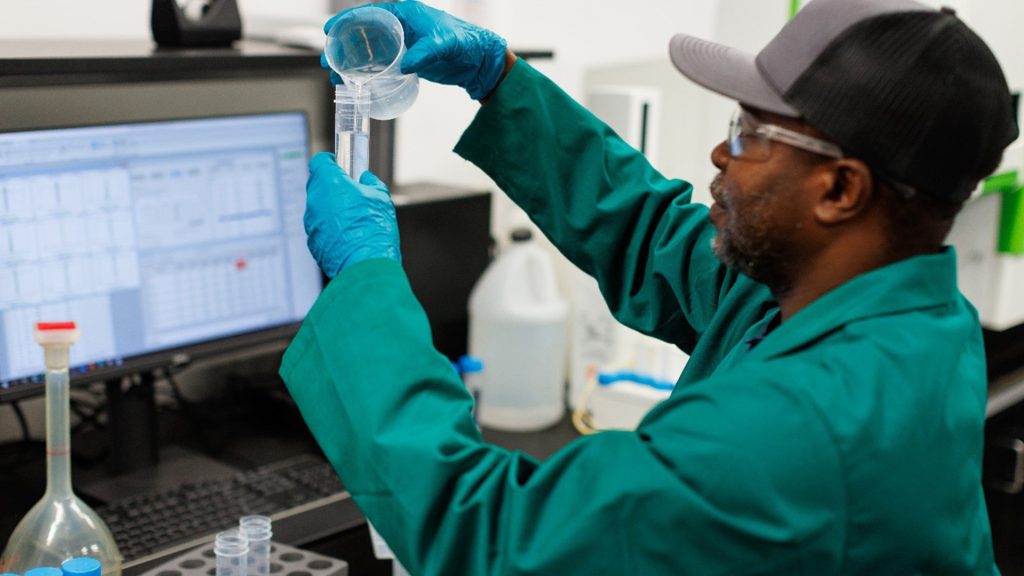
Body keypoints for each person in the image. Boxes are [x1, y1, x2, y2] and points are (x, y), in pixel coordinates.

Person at [280, 0, 1019, 573]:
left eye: (750, 133)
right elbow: (656, 237)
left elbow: (493, 538)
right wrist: (498, 80)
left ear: (840, 190)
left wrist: (364, 279)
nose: (720, 152)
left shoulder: (798, 427)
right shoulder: (901, 310)